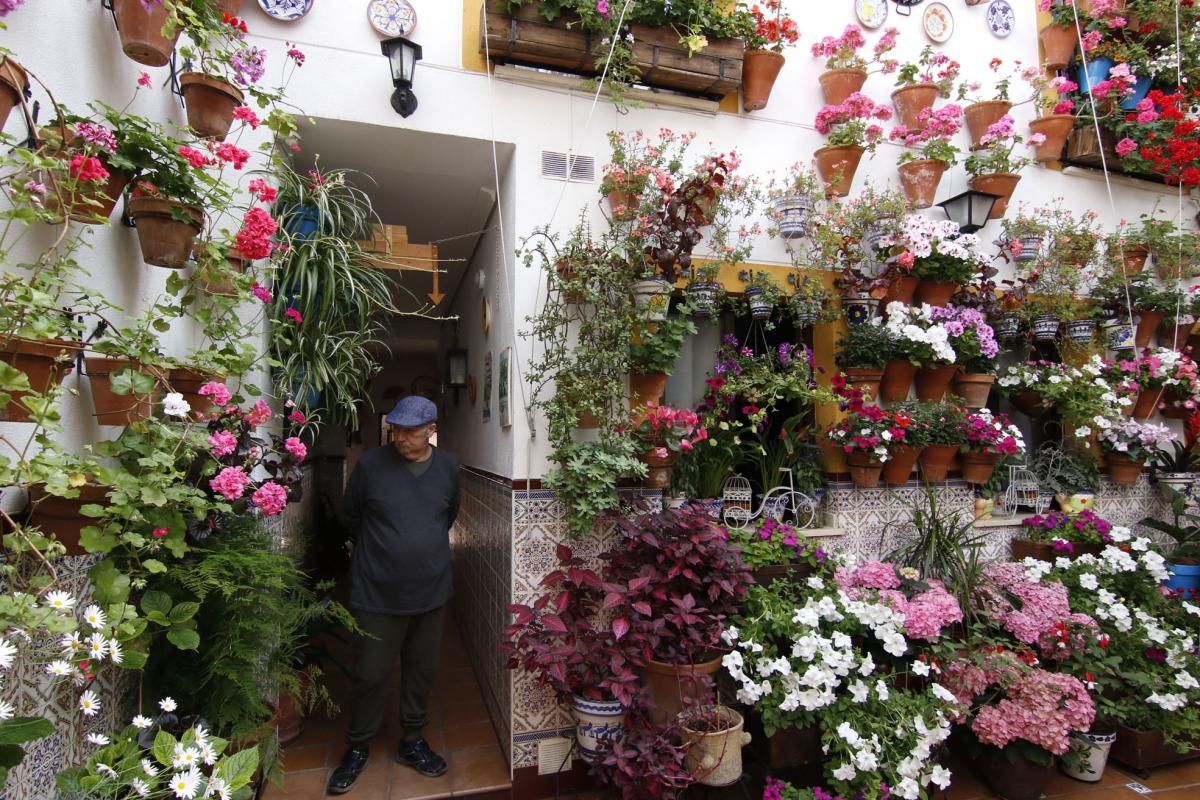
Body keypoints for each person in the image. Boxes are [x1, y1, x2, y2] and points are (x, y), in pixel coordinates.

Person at [326, 395, 460, 795]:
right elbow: (349, 516)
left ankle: (412, 741)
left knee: (421, 672)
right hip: (377, 591)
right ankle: (358, 745)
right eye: (395, 429)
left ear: (431, 430)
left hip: (431, 590)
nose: (401, 437)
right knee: (370, 673)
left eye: (410, 431)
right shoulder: (370, 465)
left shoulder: (449, 468)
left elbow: (448, 515)